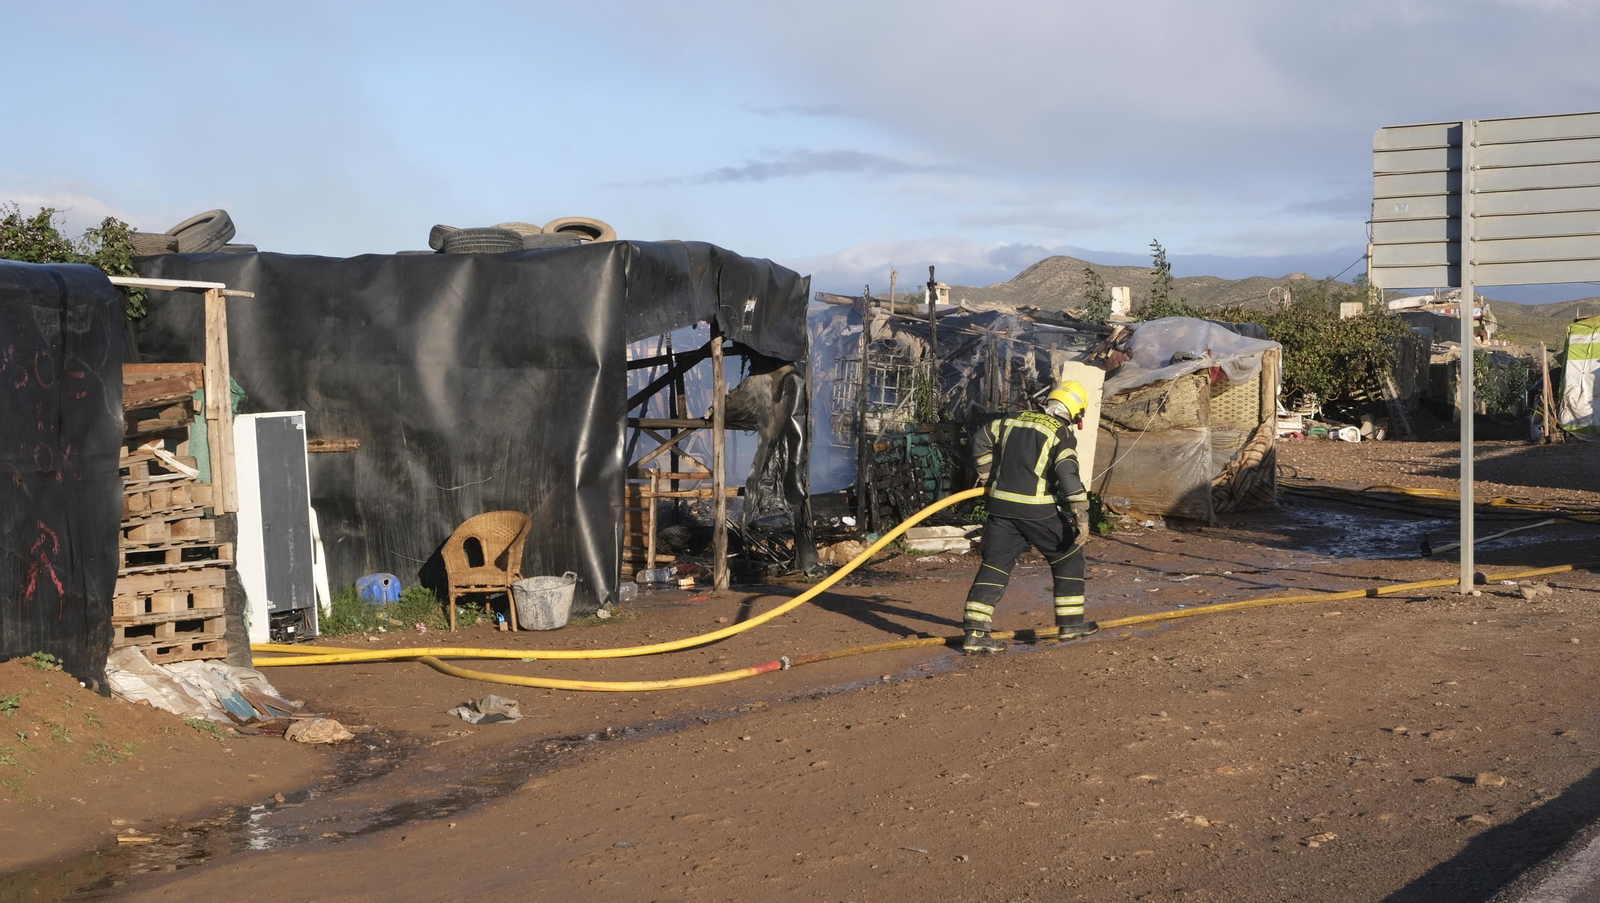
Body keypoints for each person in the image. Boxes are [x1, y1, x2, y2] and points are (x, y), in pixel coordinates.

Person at [960, 379, 1097, 654]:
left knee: (996, 563)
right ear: (1075, 412)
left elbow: (980, 439)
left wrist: (986, 475)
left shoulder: (1011, 419)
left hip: (999, 506)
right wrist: (1080, 512)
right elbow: (1067, 473)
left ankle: (975, 633)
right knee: (1069, 556)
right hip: (1035, 508)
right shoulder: (1060, 432)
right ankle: (1070, 626)